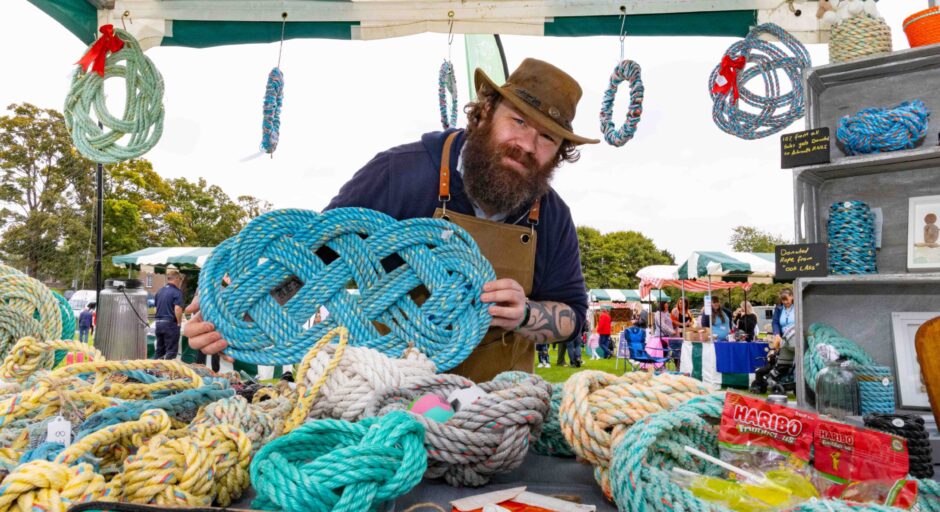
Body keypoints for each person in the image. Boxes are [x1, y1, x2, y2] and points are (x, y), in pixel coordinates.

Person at [184, 58, 594, 382]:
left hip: (492, 410)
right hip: (385, 392)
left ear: (559, 152)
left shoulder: (553, 217)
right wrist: (240, 307)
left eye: (547, 137)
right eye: (518, 121)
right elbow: (316, 259)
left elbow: (573, 318)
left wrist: (526, 315)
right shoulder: (402, 173)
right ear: (486, 112)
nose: (526, 145)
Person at [154, 269, 184, 360]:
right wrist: (179, 323)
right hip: (170, 324)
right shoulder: (177, 292)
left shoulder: (159, 291)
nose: (180, 282)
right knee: (170, 351)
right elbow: (178, 308)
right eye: (180, 279)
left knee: (159, 350)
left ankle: (152, 371)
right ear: (177, 279)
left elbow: (156, 308)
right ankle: (168, 372)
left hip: (158, 323)